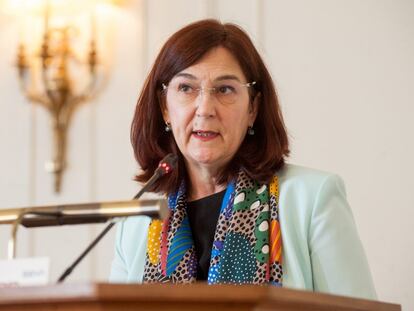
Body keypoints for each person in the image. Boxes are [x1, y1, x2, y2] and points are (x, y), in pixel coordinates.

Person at [110, 19, 376, 299]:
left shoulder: (312, 199)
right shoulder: (137, 221)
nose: (205, 109)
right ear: (165, 107)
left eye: (224, 89)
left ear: (253, 108)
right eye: (186, 89)